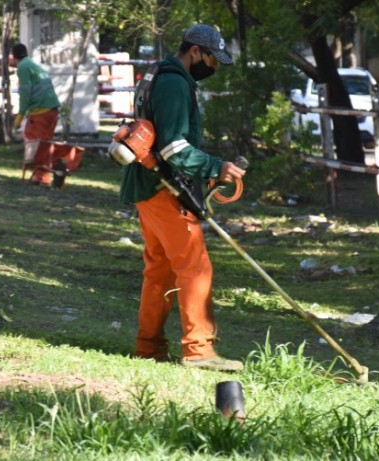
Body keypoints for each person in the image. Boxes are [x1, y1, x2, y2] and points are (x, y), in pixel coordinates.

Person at [119, 24, 246, 371]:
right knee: (195, 267)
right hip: (164, 187)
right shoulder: (174, 82)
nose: (214, 67)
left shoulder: (158, 72)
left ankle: (149, 346)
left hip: (147, 186)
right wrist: (216, 167)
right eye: (211, 58)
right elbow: (174, 148)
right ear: (194, 52)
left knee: (159, 269)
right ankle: (199, 350)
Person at [12, 43, 61, 186]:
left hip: (40, 111)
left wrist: (20, 115)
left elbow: (25, 92)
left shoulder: (22, 68)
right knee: (45, 144)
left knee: (35, 143)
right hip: (53, 109)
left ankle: (39, 177)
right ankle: (45, 176)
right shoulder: (32, 64)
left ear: (14, 57)